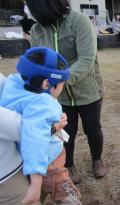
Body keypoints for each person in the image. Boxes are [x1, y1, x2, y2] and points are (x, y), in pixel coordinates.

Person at [0, 47, 96, 205]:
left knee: (56, 198)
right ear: (46, 84)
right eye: (60, 84)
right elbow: (34, 142)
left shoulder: (14, 84)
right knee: (71, 202)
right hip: (50, 167)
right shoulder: (43, 106)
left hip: (25, 161)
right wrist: (35, 183)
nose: (61, 88)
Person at [25, 0, 106, 183]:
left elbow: (86, 59)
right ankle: (68, 164)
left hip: (88, 91)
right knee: (66, 131)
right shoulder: (37, 30)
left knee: (93, 129)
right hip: (58, 97)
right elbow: (37, 62)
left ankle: (97, 159)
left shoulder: (79, 21)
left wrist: (58, 80)